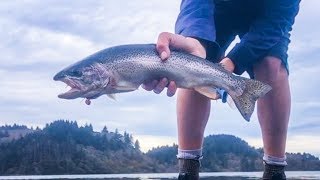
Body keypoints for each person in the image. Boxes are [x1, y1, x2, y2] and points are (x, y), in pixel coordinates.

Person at [142, 0, 300, 179]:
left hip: (269, 10)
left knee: (271, 64)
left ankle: (275, 171)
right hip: (218, 6)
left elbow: (275, 22)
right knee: (195, 60)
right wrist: (194, 39)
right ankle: (188, 170)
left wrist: (232, 62)